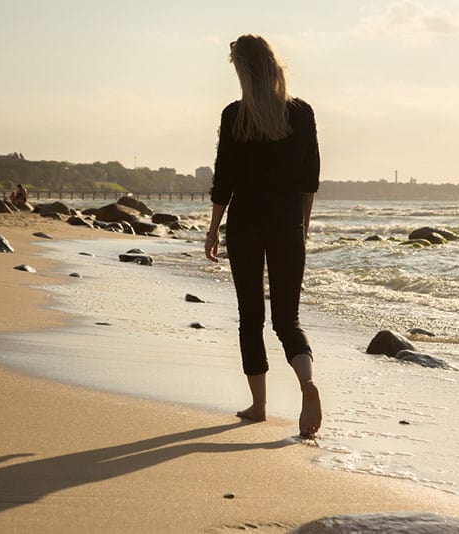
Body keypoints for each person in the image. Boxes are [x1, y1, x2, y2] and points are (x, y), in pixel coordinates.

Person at [204, 34, 322, 438]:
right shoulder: (301, 113)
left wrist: (213, 227)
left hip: (246, 224)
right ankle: (307, 385)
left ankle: (259, 405)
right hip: (288, 222)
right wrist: (301, 226)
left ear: (243, 72)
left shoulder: (235, 115)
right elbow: (310, 179)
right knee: (287, 318)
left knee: (250, 316)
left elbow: (225, 179)